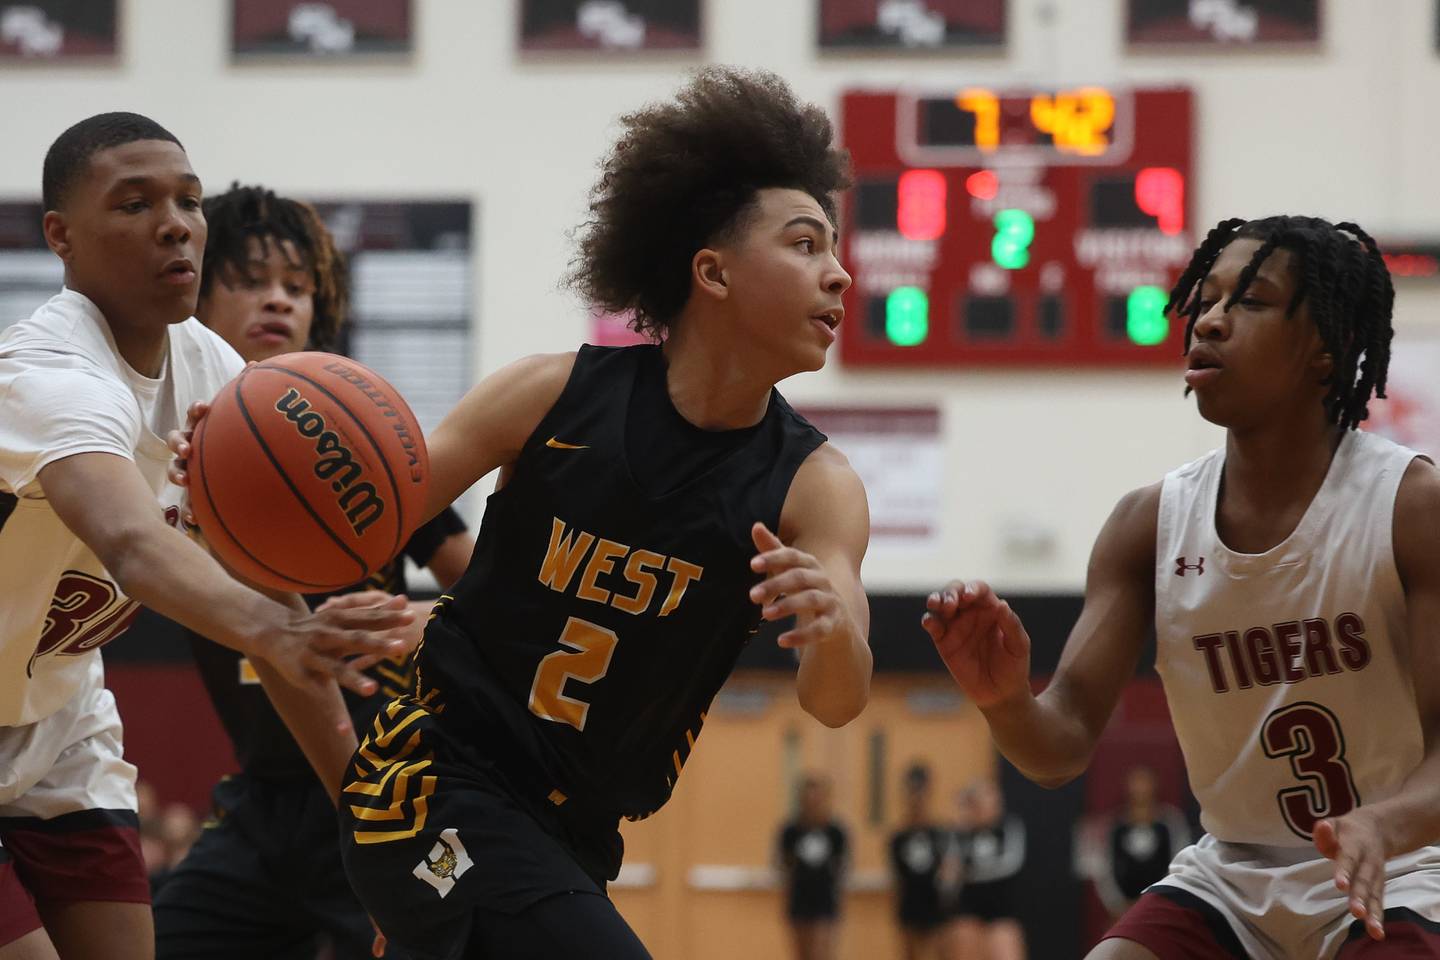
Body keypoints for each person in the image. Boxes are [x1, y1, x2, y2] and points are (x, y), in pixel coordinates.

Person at [923, 215, 1440, 959]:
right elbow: (1058, 744)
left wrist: (1382, 826)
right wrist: (1003, 699)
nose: (1212, 318)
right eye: (1207, 298)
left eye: (1251, 301)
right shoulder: (1148, 525)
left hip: (1400, 867)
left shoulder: (1409, 508)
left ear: (1323, 348)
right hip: (1232, 877)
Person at [0, 112, 411, 959]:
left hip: (57, 719)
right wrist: (281, 631)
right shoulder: (47, 374)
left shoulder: (214, 370)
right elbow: (131, 543)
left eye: (189, 199)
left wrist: (377, 844)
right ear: (61, 237)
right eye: (134, 203)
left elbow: (270, 602)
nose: (176, 222)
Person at [151, 183, 474, 960]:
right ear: (196, 296)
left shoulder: (356, 437)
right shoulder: (168, 441)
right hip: (262, 801)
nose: (277, 301)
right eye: (251, 280)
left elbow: (480, 584)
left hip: (387, 784)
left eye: (296, 286)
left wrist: (417, 626)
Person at [1094, 766, 1190, 920]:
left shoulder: (1170, 822)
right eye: (1136, 783)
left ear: (1155, 786)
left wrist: (1163, 899)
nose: (1141, 789)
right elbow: (1104, 868)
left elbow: (1181, 862)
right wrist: (1116, 903)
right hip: (1123, 909)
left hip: (1161, 907)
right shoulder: (1115, 826)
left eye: (1145, 782)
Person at [950, 778, 1026, 960]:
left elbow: (1011, 864)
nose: (987, 806)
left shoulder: (1008, 827)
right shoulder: (962, 833)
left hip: (1001, 909)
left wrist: (970, 871)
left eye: (991, 799)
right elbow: (951, 870)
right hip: (969, 907)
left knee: (1005, 949)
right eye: (979, 802)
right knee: (963, 943)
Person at [779, 774, 849, 960]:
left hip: (825, 900)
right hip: (799, 899)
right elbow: (785, 865)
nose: (812, 804)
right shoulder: (791, 832)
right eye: (808, 799)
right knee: (803, 953)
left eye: (817, 799)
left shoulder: (835, 832)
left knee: (821, 952)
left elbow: (841, 866)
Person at [888, 763, 952, 960]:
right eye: (912, 791)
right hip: (910, 902)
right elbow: (896, 877)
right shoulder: (898, 837)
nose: (916, 798)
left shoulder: (940, 833)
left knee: (941, 951)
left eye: (920, 791)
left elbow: (949, 870)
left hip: (935, 902)